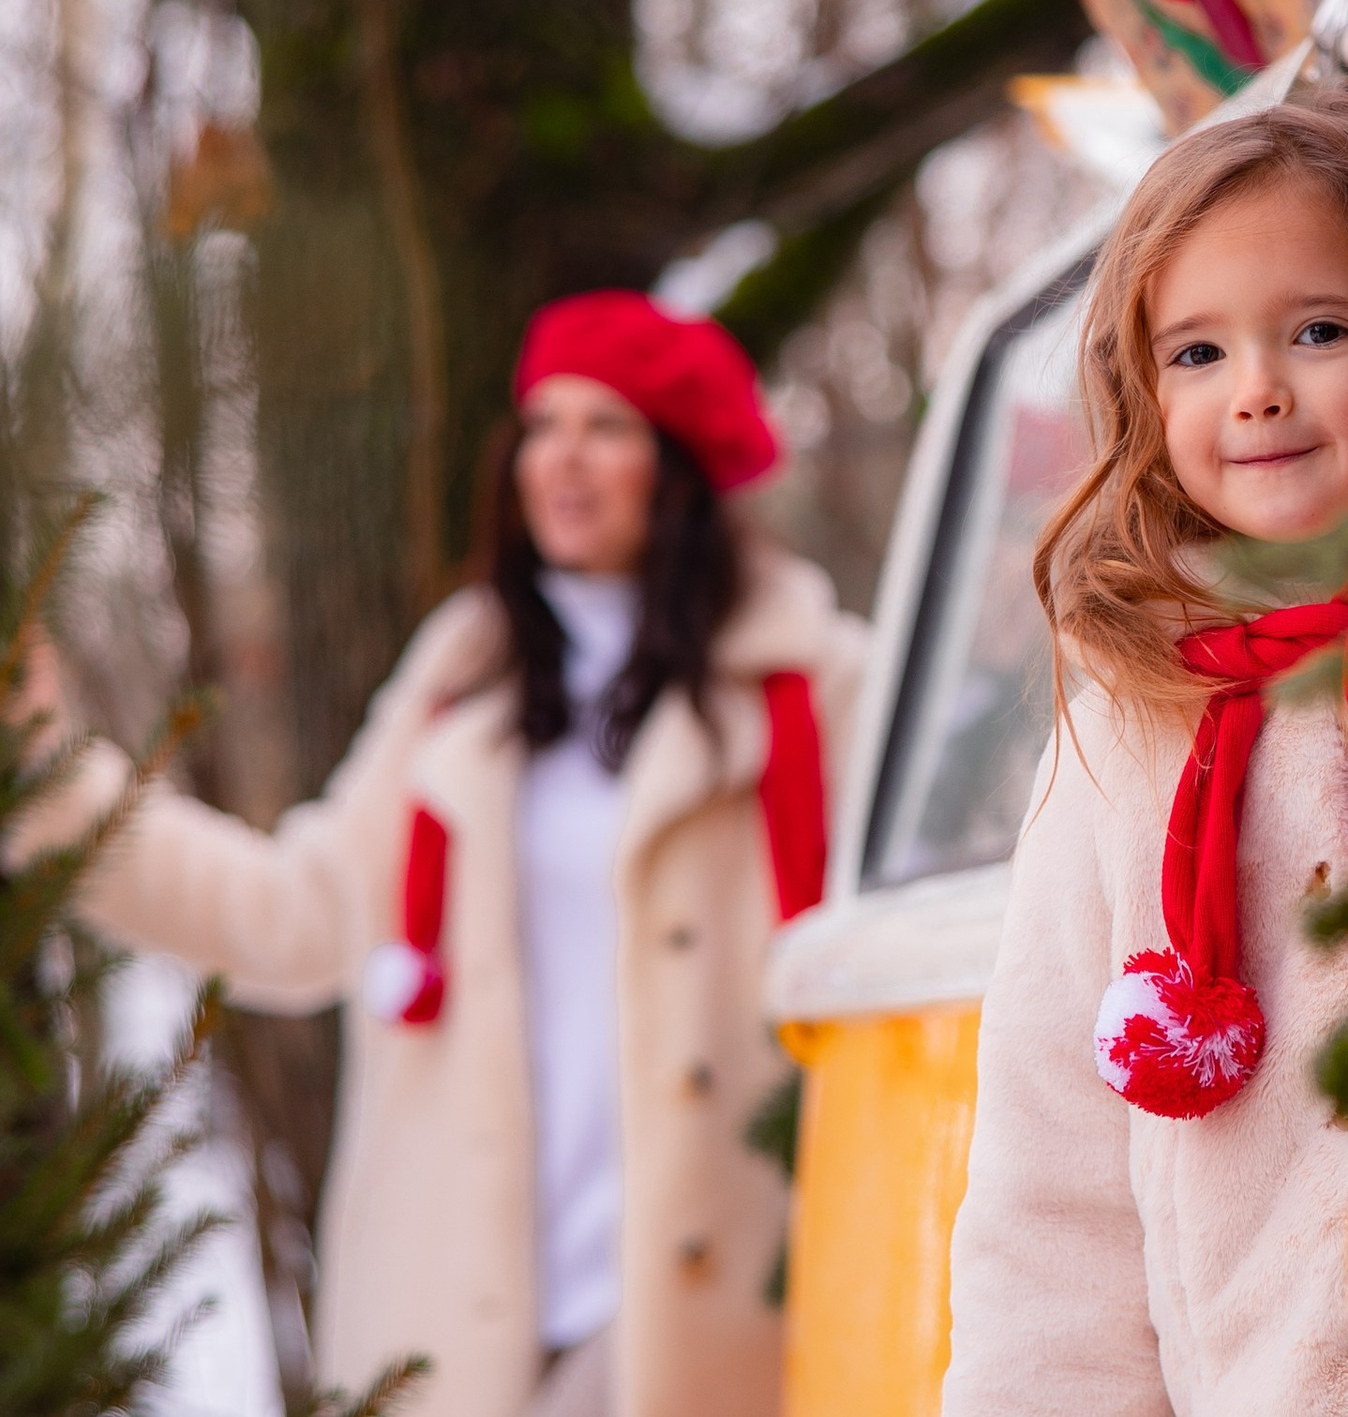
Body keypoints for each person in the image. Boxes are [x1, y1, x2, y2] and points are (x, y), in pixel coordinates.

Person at [7, 294, 865, 1417]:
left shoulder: (820, 689)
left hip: (724, 1310)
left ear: (680, 466)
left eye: (606, 426)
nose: (562, 457)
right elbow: (293, 918)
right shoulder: (462, 688)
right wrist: (55, 780)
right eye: (541, 424)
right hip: (465, 1320)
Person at [941, 83, 1348, 1415]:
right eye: (1197, 353)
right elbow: (1051, 1192)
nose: (1257, 392)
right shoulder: (1135, 725)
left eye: (1318, 329)